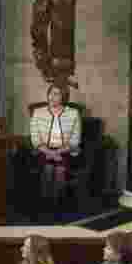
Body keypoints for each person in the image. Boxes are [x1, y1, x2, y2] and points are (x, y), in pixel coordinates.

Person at [29, 83, 81, 211]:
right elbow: (35, 138)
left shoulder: (73, 113)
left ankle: (56, 206)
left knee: (59, 171)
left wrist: (58, 151)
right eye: (50, 93)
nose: (52, 97)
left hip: (66, 150)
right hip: (44, 149)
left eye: (57, 94)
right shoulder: (38, 112)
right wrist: (50, 152)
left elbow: (75, 140)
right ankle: (46, 205)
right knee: (47, 169)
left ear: (63, 97)